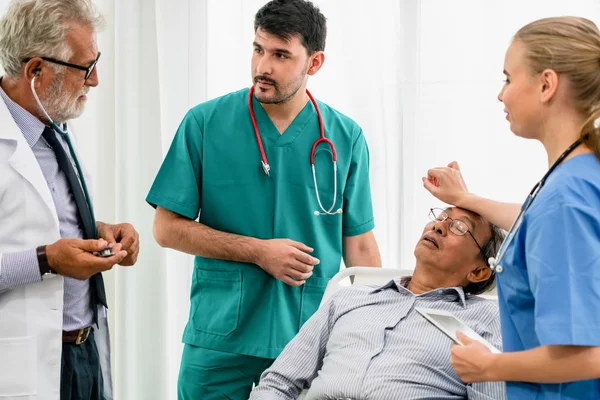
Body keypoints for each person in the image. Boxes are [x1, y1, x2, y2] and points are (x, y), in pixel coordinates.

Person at [146, 0, 381, 398]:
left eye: (280, 55)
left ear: (315, 62)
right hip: (220, 334)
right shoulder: (204, 123)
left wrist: (375, 329)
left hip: (308, 336)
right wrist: (257, 251)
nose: (262, 67)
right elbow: (166, 229)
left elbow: (358, 243)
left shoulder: (346, 136)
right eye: (258, 49)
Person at [423, 16, 600, 400]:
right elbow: (532, 218)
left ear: (546, 84)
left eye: (507, 78)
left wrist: (489, 365)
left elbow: (589, 356)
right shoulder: (582, 177)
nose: (500, 95)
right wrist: (465, 200)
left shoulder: (565, 200)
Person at [0, 1, 140, 399]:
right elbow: (44, 246)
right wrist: (47, 260)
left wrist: (100, 232)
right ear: (36, 71)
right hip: (21, 364)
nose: (95, 81)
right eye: (86, 68)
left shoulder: (57, 124)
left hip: (84, 352)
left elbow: (44, 218)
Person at [250, 207, 506, 400]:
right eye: (442, 217)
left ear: (479, 272)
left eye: (460, 228)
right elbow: (278, 382)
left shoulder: (487, 320)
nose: (439, 227)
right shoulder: (349, 298)